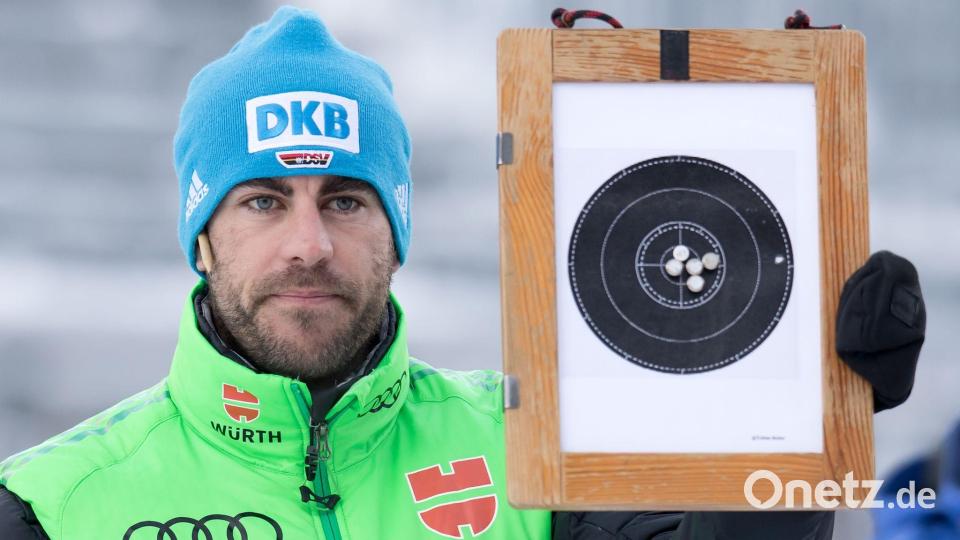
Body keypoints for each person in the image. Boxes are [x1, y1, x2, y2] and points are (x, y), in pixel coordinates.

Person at [0, 7, 927, 539]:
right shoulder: (50, 506)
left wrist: (791, 421)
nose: (310, 244)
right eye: (262, 202)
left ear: (398, 232)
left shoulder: (539, 453)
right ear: (200, 236)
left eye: (348, 201)